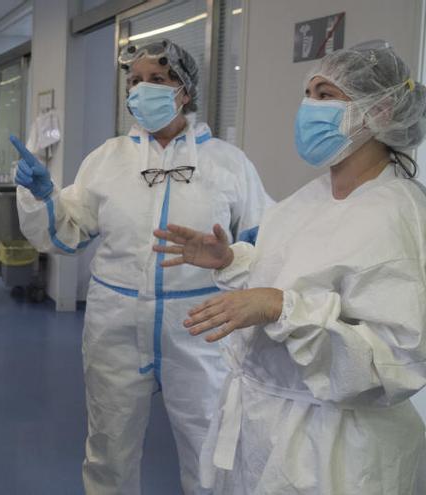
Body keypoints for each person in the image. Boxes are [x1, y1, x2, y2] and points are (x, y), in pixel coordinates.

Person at [154, 40, 426, 494]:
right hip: (269, 425)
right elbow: (290, 274)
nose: (308, 107)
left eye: (325, 95)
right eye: (310, 94)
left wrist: (284, 309)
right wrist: (233, 262)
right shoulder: (312, 197)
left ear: (378, 112)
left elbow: (396, 360)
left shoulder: (398, 215)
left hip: (337, 449)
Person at [12, 39, 273, 494]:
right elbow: (66, 233)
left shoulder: (228, 165)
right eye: (134, 81)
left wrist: (232, 259)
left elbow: (265, 246)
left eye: (158, 79)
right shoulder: (107, 160)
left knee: (209, 449)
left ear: (184, 91)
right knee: (109, 447)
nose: (142, 90)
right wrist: (43, 196)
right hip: (115, 325)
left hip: (201, 328)